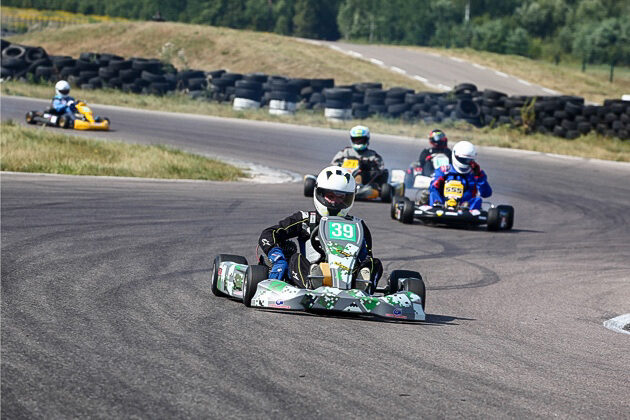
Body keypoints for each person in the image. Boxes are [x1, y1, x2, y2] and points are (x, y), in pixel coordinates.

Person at [258, 166, 383, 292]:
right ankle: (312, 283)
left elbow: (366, 257)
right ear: (320, 194)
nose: (335, 202)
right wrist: (278, 258)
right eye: (331, 196)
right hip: (311, 270)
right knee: (295, 258)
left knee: (374, 263)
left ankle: (363, 287)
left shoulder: (357, 225)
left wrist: (363, 267)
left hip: (347, 277)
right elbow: (268, 234)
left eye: (341, 198)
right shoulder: (306, 219)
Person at [428, 140, 492, 210]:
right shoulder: (443, 170)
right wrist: (437, 183)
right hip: (443, 202)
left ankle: (465, 208)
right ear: (455, 155)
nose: (465, 162)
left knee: (477, 200)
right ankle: (437, 205)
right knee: (433, 194)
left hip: (465, 205)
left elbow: (486, 193)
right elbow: (432, 188)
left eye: (467, 160)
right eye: (462, 159)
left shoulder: (475, 173)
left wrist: (479, 176)